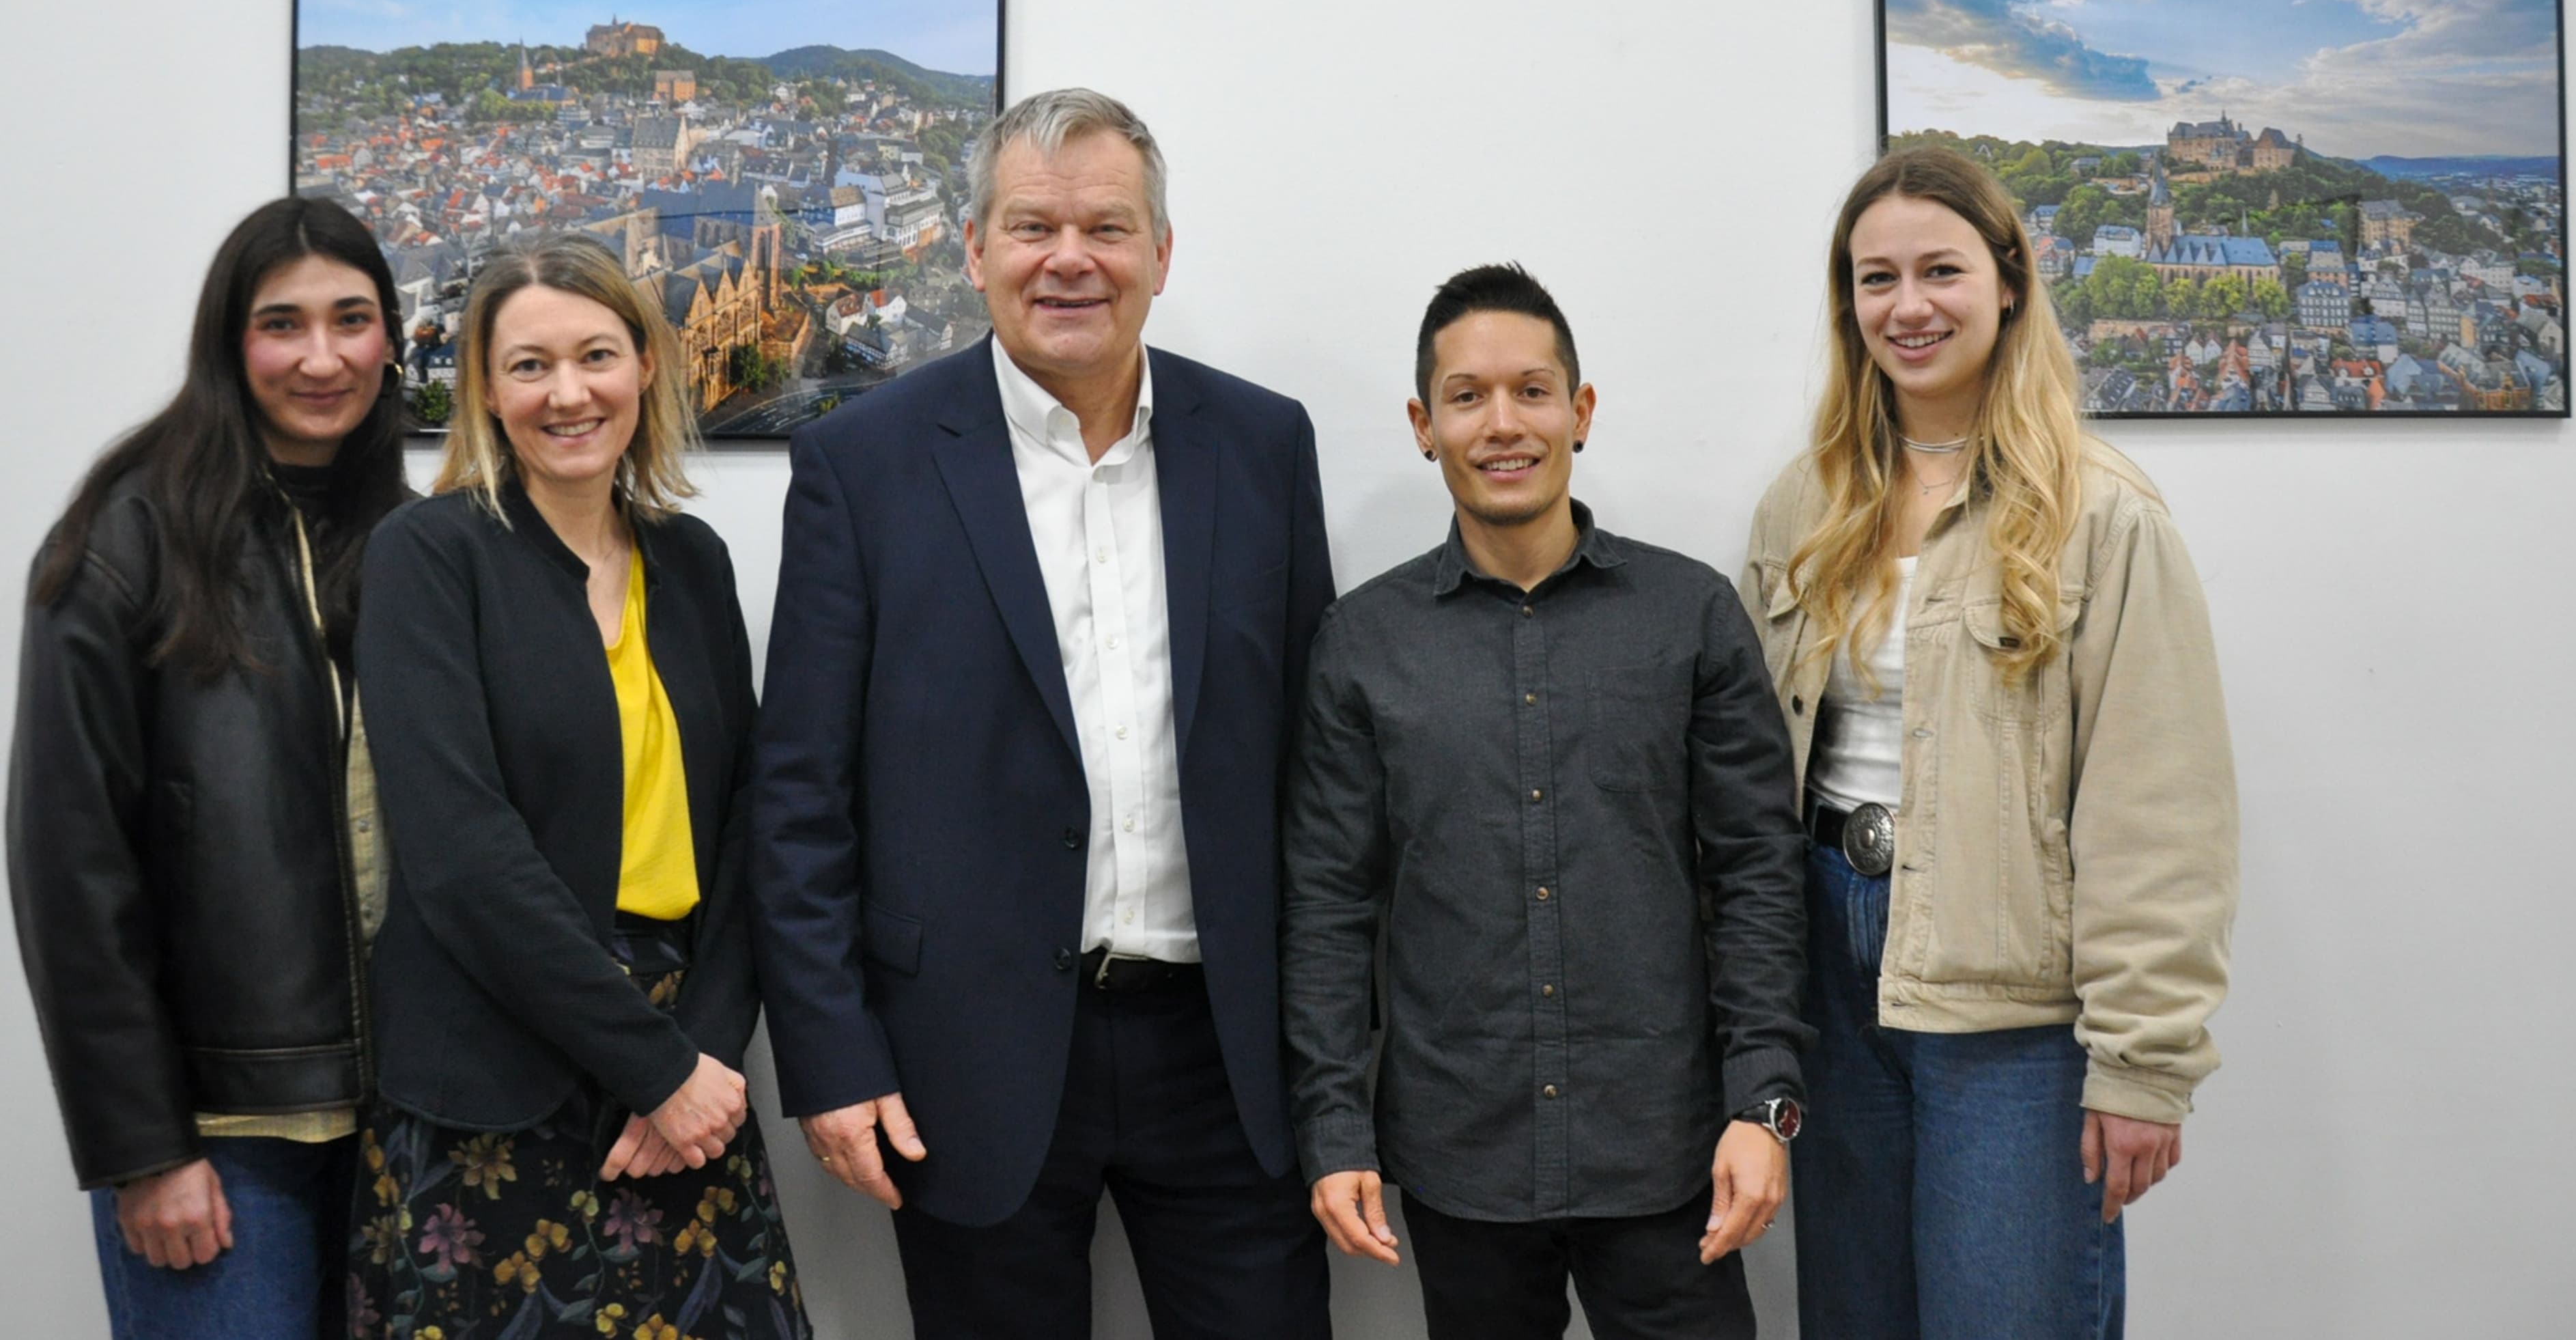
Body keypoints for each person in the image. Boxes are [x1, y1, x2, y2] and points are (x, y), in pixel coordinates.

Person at [750, 88, 1335, 1338]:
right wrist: (833, 1058)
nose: (1071, 258)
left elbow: (1317, 774)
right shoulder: (863, 465)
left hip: (1226, 1056)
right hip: (963, 1054)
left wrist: (1336, 1057)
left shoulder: (1263, 446)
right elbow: (799, 795)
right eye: (1032, 227)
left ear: (1161, 255)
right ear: (975, 251)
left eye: (1109, 228)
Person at [1742, 145, 2237, 1339]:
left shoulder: (2102, 514)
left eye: (1940, 271)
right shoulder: (1802, 505)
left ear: (2009, 283)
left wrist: (2145, 1062)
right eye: (1875, 280)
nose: (1907, 307)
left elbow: (2159, 806)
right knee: (1857, 1318)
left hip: (2014, 1004)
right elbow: (1750, 765)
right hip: (1828, 969)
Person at [1284, 264, 1807, 1340]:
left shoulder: (1691, 616)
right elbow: (1329, 905)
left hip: (1666, 1150)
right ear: (1425, 427)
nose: (1503, 423)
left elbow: (1757, 869)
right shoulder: (1363, 643)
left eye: (1532, 390)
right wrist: (1334, 1125)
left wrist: (1765, 1104)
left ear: (1581, 410)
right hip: (1458, 1155)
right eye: (1468, 397)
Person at [345, 233, 806, 1339]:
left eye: (596, 355)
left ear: (647, 367)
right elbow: (463, 857)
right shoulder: (427, 555)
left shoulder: (690, 559)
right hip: (497, 1085)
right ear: (486, 393)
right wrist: (655, 1066)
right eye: (529, 365)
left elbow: (746, 827)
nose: (568, 393)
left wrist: (701, 1051)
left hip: (683, 1079)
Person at [9, 197, 410, 1338]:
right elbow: (68, 865)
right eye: (283, 324)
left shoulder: (414, 537)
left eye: (352, 319)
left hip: (404, 1128)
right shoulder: (125, 540)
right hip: (222, 1139)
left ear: (393, 337)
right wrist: (143, 1148)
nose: (322, 358)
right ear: (229, 343)